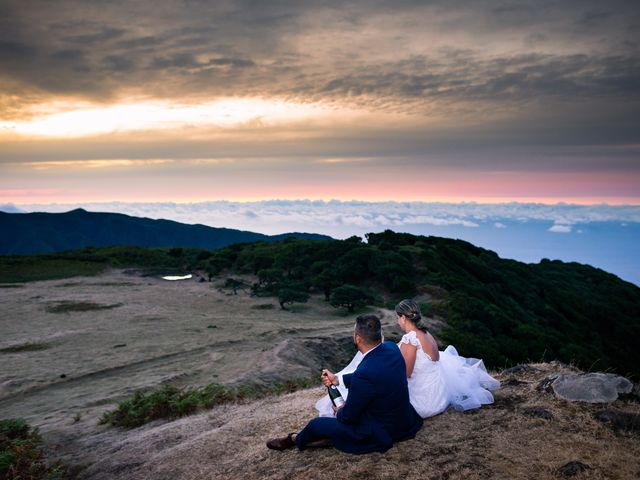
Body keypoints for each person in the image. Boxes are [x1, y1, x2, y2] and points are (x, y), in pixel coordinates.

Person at [316, 299, 500, 418]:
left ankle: (345, 408)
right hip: (439, 394)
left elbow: (405, 374)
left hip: (425, 400)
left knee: (372, 391)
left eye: (398, 318)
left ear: (403, 317)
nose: (397, 321)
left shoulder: (410, 339)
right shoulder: (427, 335)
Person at [266, 314, 423, 454]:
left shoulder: (365, 373)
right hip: (403, 420)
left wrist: (339, 410)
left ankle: (294, 438)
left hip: (382, 429)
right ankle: (328, 437)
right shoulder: (391, 348)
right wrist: (338, 379)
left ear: (358, 339)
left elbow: (348, 417)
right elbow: (376, 375)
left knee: (317, 424)